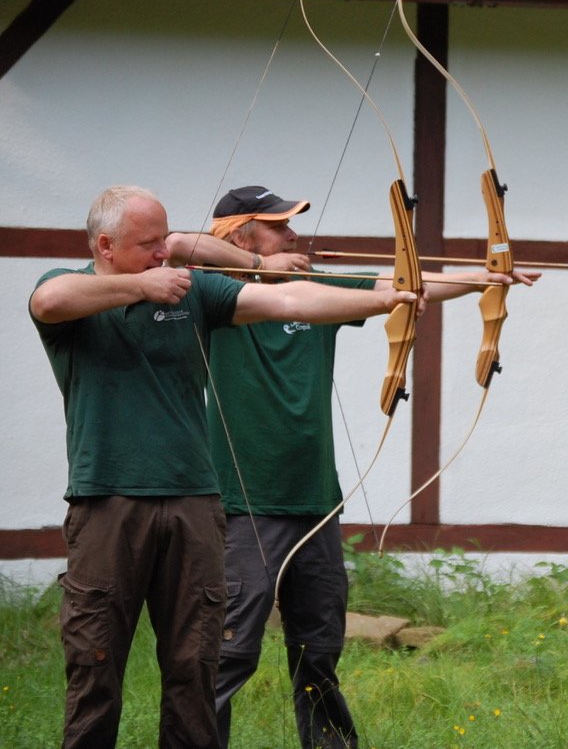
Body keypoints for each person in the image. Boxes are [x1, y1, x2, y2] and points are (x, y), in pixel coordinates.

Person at [29, 185, 417, 749]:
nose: (165, 252)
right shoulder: (70, 292)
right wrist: (140, 286)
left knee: (196, 665)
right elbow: (49, 301)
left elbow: (289, 301)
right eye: (148, 244)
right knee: (96, 664)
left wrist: (388, 300)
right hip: (107, 501)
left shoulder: (192, 294)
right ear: (106, 246)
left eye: (165, 240)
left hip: (194, 505)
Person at [179, 185, 538, 748]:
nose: (295, 235)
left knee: (319, 654)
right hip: (245, 505)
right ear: (240, 235)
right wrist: (259, 264)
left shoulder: (317, 290)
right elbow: (178, 245)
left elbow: (397, 285)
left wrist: (488, 276)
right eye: (279, 227)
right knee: (228, 656)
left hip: (316, 503)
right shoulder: (212, 295)